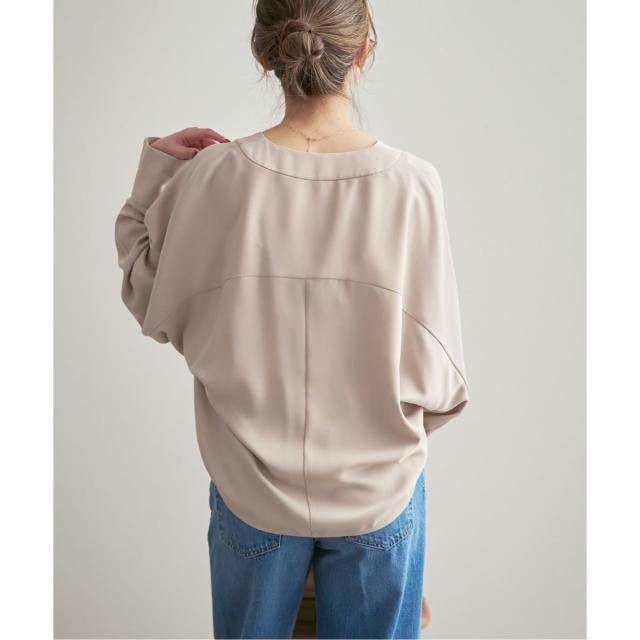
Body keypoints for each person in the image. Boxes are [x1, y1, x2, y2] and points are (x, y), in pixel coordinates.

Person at [114, 0, 469, 637]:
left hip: (250, 490)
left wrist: (157, 169)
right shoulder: (413, 185)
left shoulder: (214, 175)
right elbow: (442, 377)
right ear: (363, 50)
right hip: (377, 495)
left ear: (264, 52)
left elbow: (147, 292)